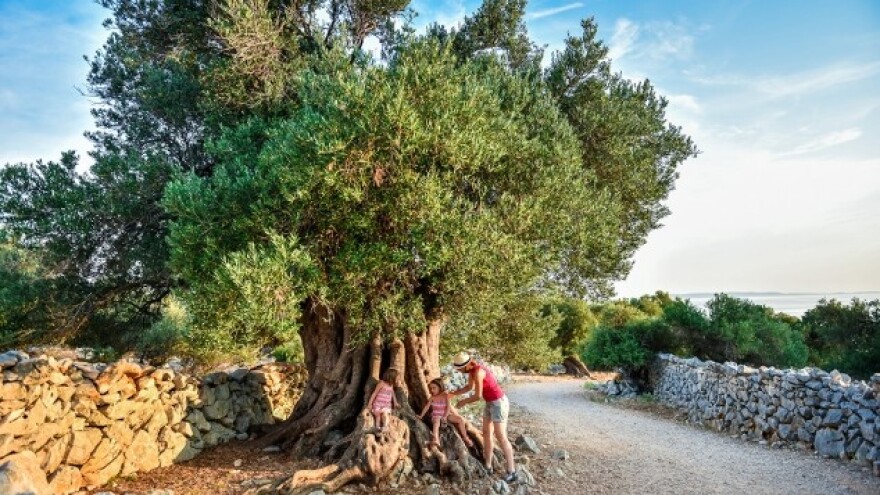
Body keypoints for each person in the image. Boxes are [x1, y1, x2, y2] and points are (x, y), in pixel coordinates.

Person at [449, 351, 516, 482]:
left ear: (467, 365)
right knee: (486, 433)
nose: (460, 371)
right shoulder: (471, 372)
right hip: (489, 403)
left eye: (460, 368)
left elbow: (478, 395)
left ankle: (512, 471)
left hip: (498, 403)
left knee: (501, 436)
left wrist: (464, 401)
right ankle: (488, 465)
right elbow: (468, 387)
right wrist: (453, 393)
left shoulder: (479, 372)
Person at [419, 377, 474, 448]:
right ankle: (436, 438)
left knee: (460, 419)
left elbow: (448, 407)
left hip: (446, 415)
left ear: (440, 387)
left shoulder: (446, 396)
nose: (432, 390)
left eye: (434, 388)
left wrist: (445, 416)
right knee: (437, 420)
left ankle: (465, 437)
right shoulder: (432, 398)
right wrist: (421, 416)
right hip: (436, 416)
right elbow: (426, 407)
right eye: (431, 388)